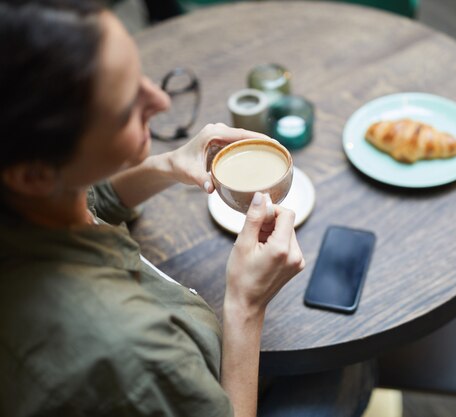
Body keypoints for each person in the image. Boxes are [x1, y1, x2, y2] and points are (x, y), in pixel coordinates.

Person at [0, 1, 375, 416]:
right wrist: (246, 307)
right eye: (126, 106)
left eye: (140, 75)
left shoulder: (30, 200)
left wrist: (165, 166)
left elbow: (93, 199)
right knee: (351, 359)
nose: (160, 101)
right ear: (33, 174)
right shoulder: (132, 356)